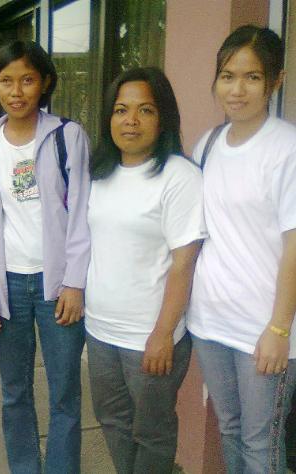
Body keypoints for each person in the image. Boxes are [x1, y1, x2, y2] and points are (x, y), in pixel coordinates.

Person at [0, 40, 90, 474]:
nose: (16, 91)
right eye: (6, 81)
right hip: (9, 284)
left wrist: (74, 282)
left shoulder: (66, 136)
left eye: (27, 80)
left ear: (44, 83)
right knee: (14, 392)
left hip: (55, 285)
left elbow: (82, 213)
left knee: (64, 392)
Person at [85, 67, 206, 473]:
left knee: (152, 433)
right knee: (113, 421)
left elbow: (184, 262)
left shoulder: (179, 176)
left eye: (145, 110)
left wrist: (163, 333)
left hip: (149, 335)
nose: (131, 121)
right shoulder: (99, 173)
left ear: (163, 118)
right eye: (121, 110)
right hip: (100, 331)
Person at [187, 24, 296, 473]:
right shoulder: (208, 145)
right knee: (230, 430)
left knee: (260, 447)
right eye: (228, 76)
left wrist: (279, 330)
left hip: (263, 330)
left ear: (276, 81)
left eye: (252, 77)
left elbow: (294, 247)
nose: (237, 89)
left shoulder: (287, 148)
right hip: (210, 322)